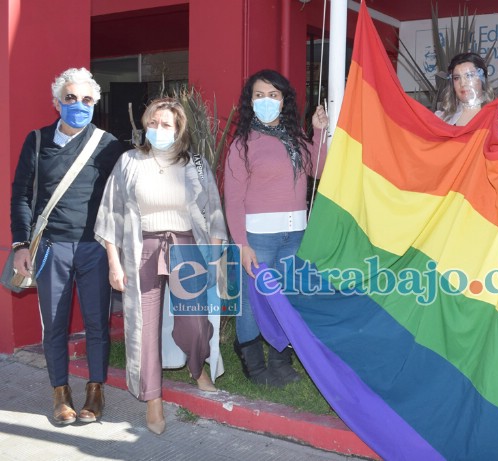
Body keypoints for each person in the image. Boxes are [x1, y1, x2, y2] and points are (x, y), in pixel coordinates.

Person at [94, 98, 228, 435]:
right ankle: (153, 398)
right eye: (153, 122)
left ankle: (198, 368)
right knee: (144, 327)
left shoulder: (195, 165)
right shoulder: (129, 162)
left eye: (166, 124)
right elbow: (111, 214)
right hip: (144, 248)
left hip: (185, 246)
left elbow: (213, 212)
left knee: (195, 321)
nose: (158, 129)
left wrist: (213, 258)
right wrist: (114, 262)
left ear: (179, 129)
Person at [9, 67, 123, 425]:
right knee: (54, 325)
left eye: (87, 99)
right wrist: (20, 244)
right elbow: (21, 196)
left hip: (94, 248)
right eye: (70, 98)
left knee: (96, 323)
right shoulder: (38, 140)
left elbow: (123, 198)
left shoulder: (108, 145)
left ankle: (95, 390)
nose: (78, 105)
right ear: (57, 103)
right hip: (50, 248)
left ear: (95, 104)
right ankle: (60, 392)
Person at [224, 69, 328, 387]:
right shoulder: (242, 144)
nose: (266, 101)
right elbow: (233, 199)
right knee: (252, 302)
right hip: (258, 237)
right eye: (259, 95)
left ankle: (281, 360)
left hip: (295, 234)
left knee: (287, 298)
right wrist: (242, 243)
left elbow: (319, 168)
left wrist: (318, 132)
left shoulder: (295, 138)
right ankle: (254, 365)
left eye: (273, 95)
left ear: (284, 100)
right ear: (250, 102)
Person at [435, 52, 495, 126]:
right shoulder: (441, 119)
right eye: (457, 78)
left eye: (469, 75)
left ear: (482, 78)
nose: (462, 83)